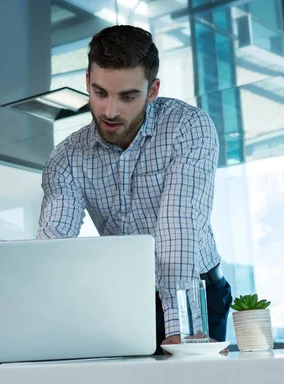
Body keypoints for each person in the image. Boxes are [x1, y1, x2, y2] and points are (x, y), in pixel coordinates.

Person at [36, 25, 232, 354]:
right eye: (100, 93)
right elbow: (54, 248)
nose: (110, 111)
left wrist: (183, 330)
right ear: (87, 82)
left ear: (152, 90)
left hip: (195, 292)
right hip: (128, 298)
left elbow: (178, 225)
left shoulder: (188, 128)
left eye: (127, 96)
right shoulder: (67, 158)